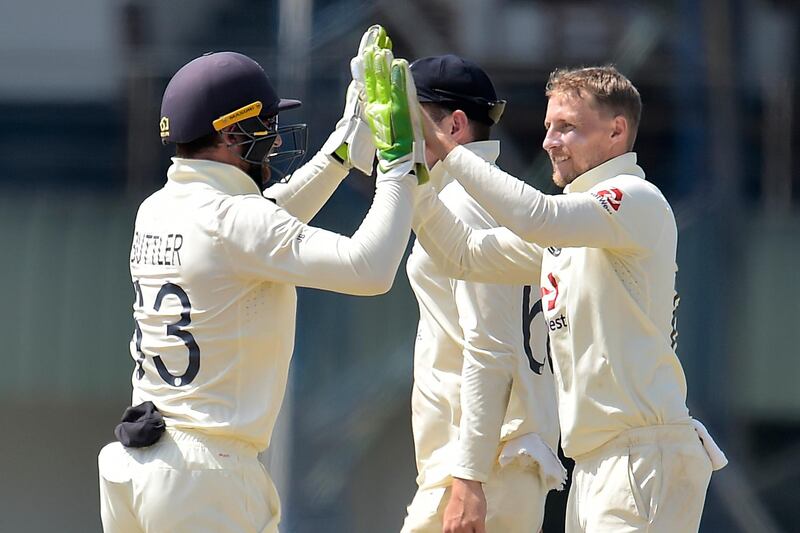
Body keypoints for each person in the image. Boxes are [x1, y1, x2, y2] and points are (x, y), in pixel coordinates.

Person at [97, 29, 424, 532]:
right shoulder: (235, 222)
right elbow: (370, 268)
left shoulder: (157, 208)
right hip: (206, 474)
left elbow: (258, 224)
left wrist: (342, 150)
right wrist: (400, 164)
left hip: (137, 463)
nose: (273, 139)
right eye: (266, 125)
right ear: (230, 135)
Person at [413, 65, 727, 532]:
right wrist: (410, 170)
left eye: (568, 127)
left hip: (642, 456)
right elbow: (462, 255)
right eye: (548, 127)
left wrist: (443, 148)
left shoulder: (634, 198)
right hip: (595, 464)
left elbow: (537, 216)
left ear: (617, 131)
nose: (549, 142)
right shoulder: (571, 228)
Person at [400, 55, 564, 533]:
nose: (394, 140)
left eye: (407, 123)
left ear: (454, 125)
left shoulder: (463, 204)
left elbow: (490, 348)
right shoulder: (492, 198)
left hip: (482, 469)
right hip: (493, 464)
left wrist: (468, 480)